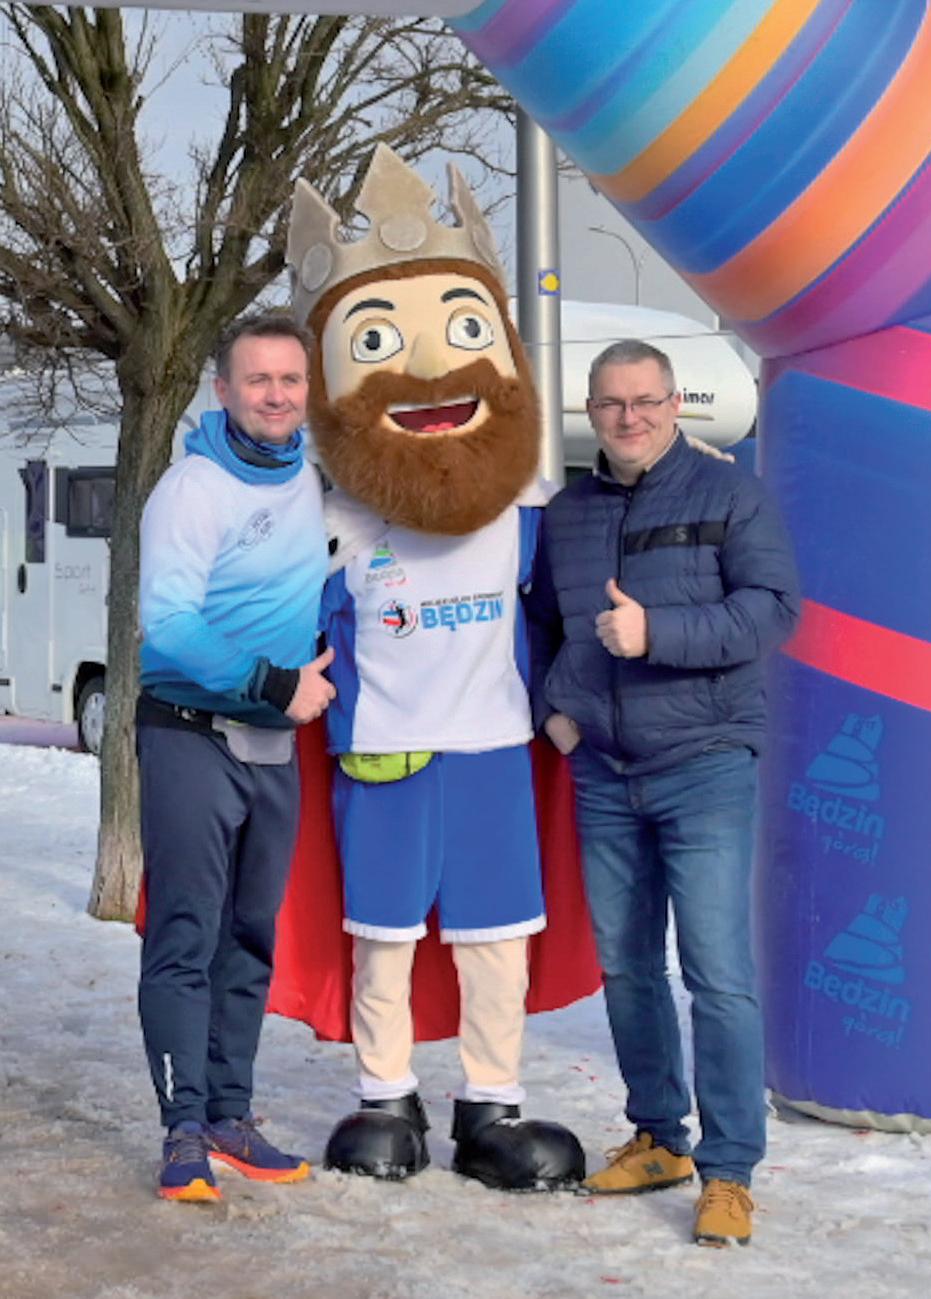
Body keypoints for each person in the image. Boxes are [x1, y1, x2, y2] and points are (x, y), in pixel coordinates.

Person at [273, 144, 592, 1191]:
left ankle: (491, 1100)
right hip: (384, 756)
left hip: (493, 752)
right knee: (384, 938)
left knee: (497, 942)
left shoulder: (525, 517)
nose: (427, 369)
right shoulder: (331, 523)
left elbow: (570, 613)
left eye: (463, 331)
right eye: (376, 342)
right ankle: (386, 1094)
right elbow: (274, 624)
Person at [530, 339, 800, 1246]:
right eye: (612, 403)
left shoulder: (730, 493)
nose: (630, 417)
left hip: (705, 762)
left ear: (674, 403)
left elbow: (772, 608)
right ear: (590, 412)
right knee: (628, 966)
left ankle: (729, 1172)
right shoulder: (567, 513)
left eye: (646, 400)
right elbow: (540, 628)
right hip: (604, 769)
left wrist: (658, 633)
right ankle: (658, 1136)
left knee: (717, 974)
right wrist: (553, 712)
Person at [137, 311, 335, 1203]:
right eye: (259, 380)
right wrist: (274, 681)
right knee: (187, 935)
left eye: (290, 380)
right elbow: (169, 623)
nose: (276, 395)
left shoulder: (311, 478)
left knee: (250, 938)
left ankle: (229, 1113)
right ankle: (183, 1131)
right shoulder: (193, 487)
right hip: (190, 732)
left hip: (272, 745)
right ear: (223, 389)